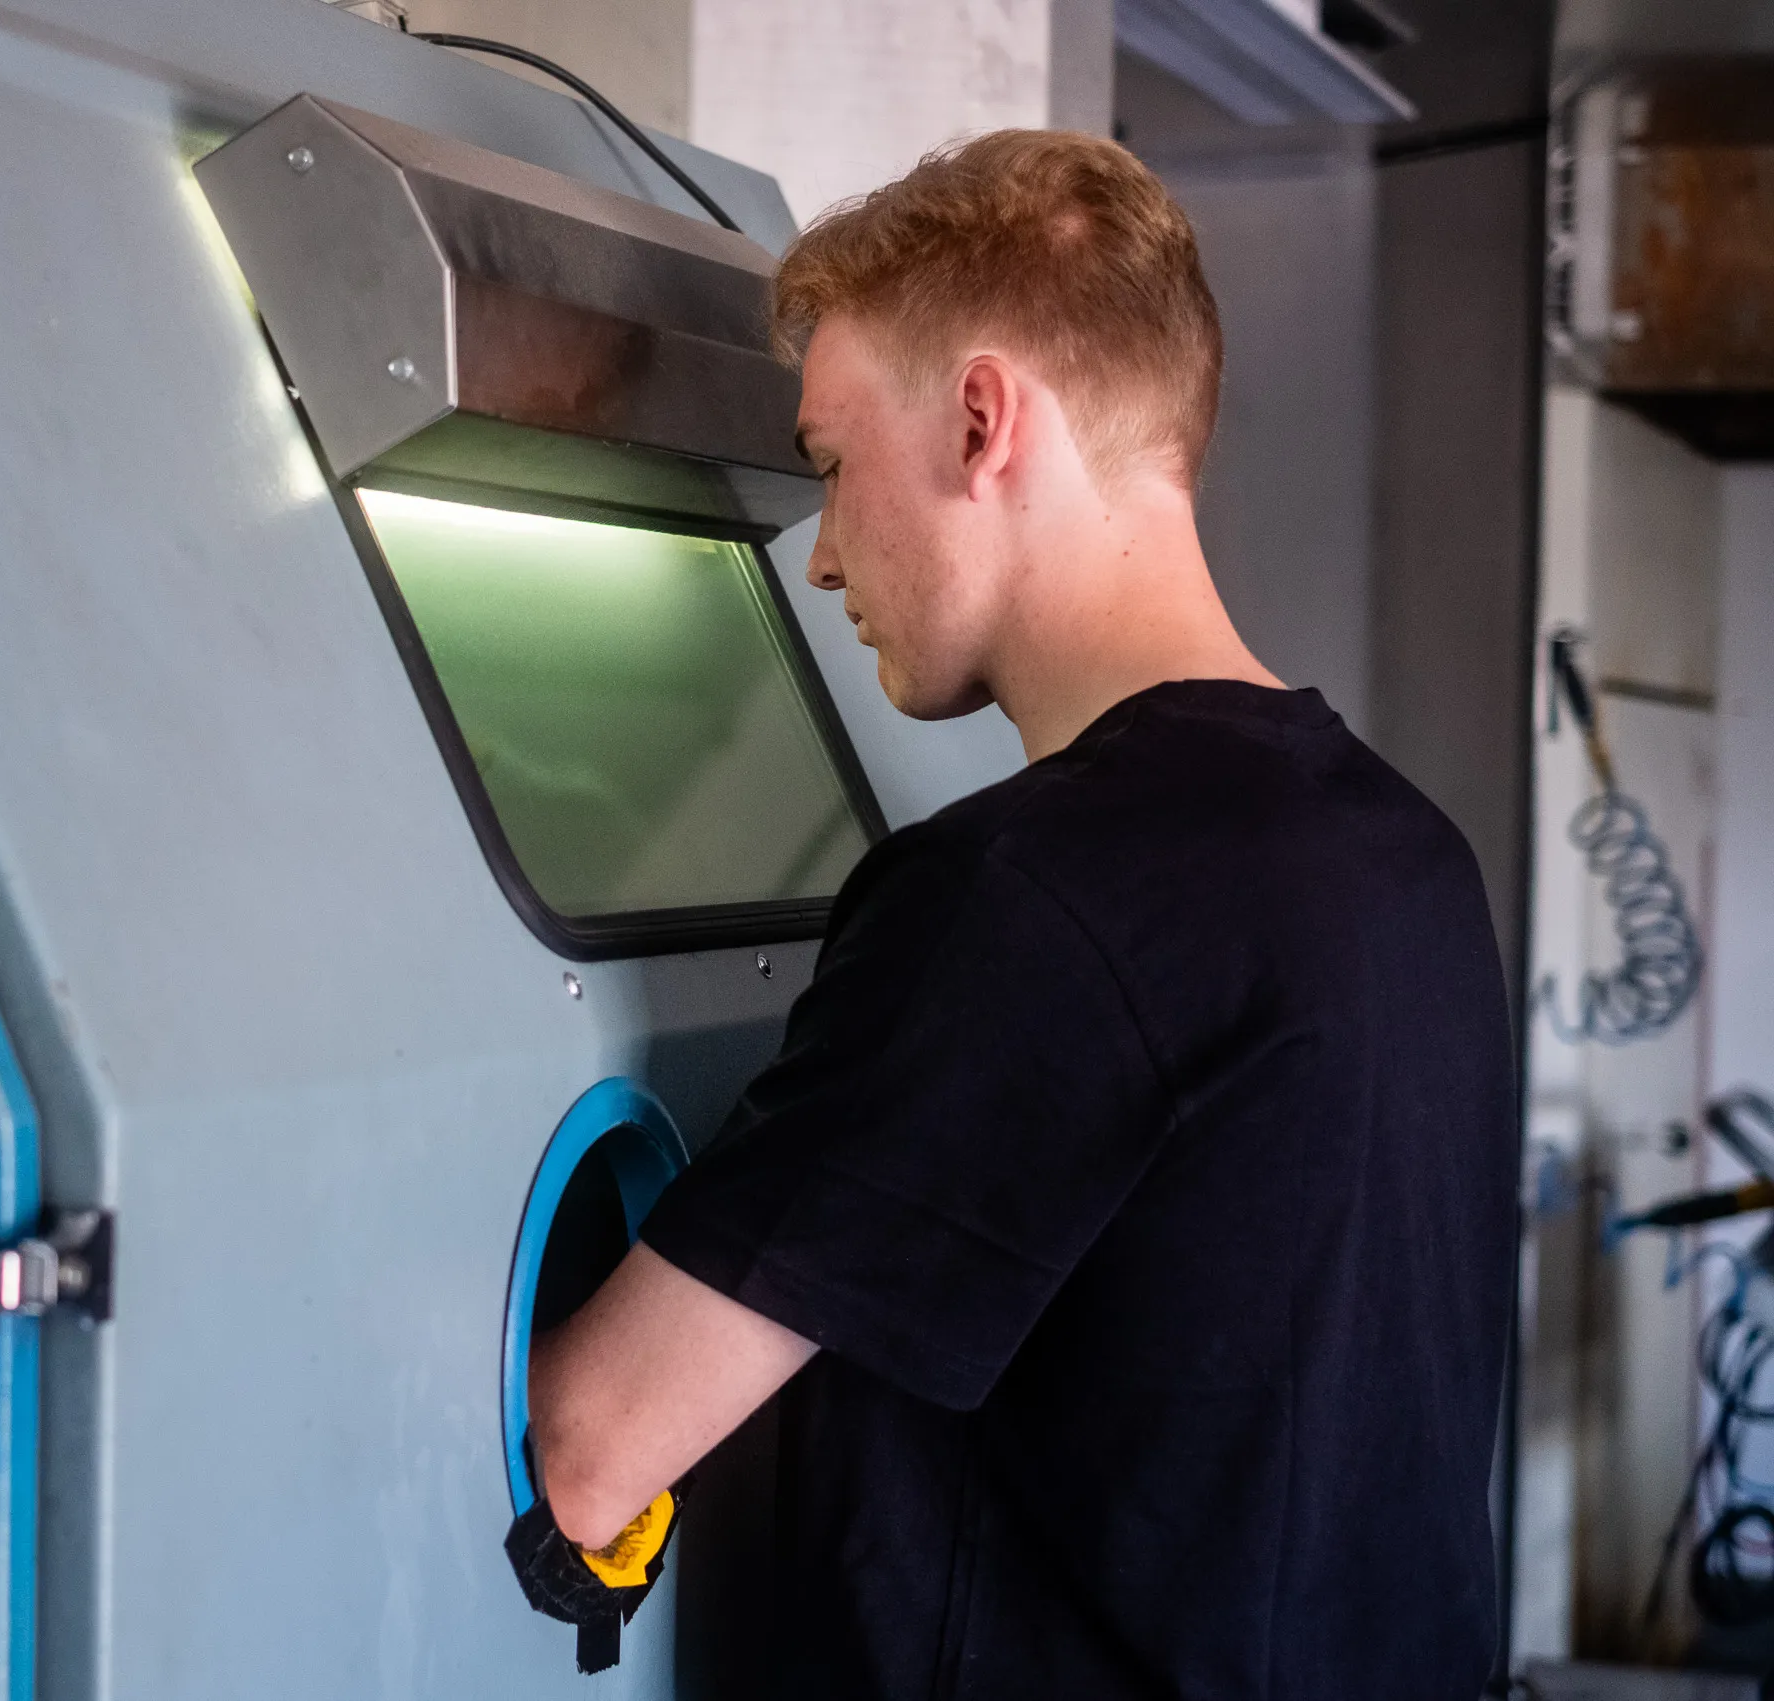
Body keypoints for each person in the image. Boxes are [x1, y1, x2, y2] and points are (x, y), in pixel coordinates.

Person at [528, 128, 1518, 1699]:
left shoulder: (1034, 894)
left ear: (985, 419)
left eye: (834, 465)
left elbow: (589, 1452)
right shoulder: (1406, 861)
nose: (827, 553)